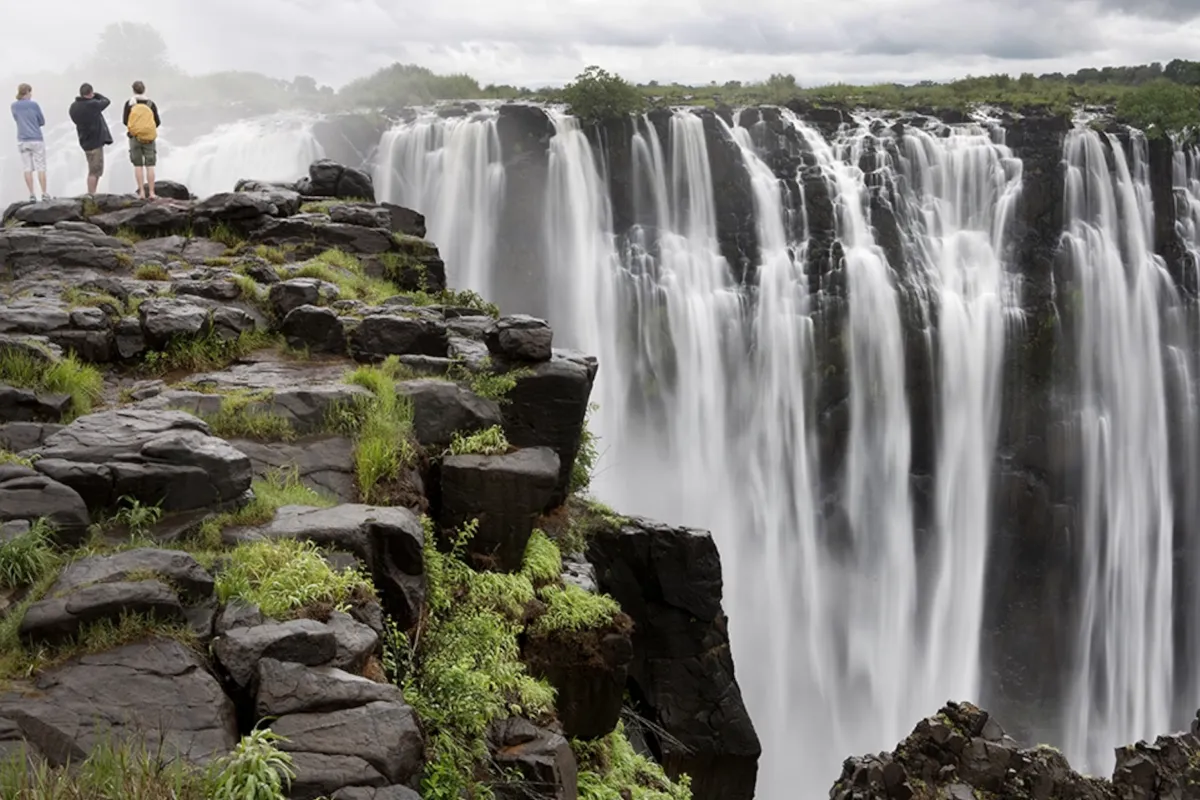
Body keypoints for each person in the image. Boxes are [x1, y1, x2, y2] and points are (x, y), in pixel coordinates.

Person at [68, 83, 113, 195]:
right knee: (95, 170)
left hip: (84, 140)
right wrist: (96, 95)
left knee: (93, 168)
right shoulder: (92, 104)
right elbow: (106, 101)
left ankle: (92, 192)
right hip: (95, 141)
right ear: (90, 93)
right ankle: (91, 193)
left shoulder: (74, 107)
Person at [122, 80, 161, 200]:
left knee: (138, 165)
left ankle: (142, 193)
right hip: (149, 138)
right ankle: (152, 193)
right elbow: (157, 122)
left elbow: (125, 121)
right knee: (150, 165)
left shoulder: (129, 103)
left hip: (134, 137)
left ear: (133, 90)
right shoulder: (150, 104)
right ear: (144, 89)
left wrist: (136, 129)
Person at [11, 83, 48, 202]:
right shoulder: (34, 105)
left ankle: (32, 194)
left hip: (22, 140)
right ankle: (44, 193)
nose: (31, 94)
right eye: (30, 92)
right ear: (27, 92)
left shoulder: (14, 106)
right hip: (36, 138)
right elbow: (42, 121)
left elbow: (16, 119)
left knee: (27, 168)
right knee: (40, 166)